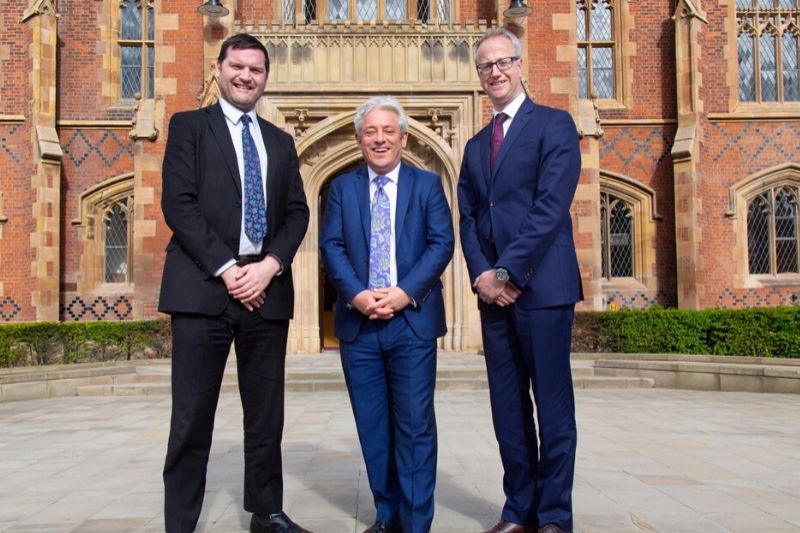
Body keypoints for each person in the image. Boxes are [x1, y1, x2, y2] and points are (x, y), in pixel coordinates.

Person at [158, 33, 311, 533]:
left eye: (257, 70)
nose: (247, 76)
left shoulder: (280, 141)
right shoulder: (188, 127)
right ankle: (181, 523)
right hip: (204, 289)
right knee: (191, 418)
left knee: (266, 416)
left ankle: (266, 511)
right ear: (219, 68)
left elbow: (296, 213)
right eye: (238, 67)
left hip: (265, 292)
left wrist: (269, 266)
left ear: (266, 77)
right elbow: (178, 204)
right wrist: (228, 269)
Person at [457, 28, 583, 533]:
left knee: (551, 407)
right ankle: (518, 510)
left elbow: (550, 208)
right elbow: (467, 217)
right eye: (486, 66)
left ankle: (553, 517)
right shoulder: (473, 145)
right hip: (494, 297)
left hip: (544, 288)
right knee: (507, 409)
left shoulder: (554, 125)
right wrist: (483, 276)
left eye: (503, 62)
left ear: (520, 63)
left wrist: (508, 271)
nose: (495, 72)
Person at [319, 96, 455, 533]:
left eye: (387, 131)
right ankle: (387, 514)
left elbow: (441, 244)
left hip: (411, 325)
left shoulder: (427, 185)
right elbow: (332, 246)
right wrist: (358, 295)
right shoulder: (341, 188)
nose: (379, 139)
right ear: (359, 139)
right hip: (359, 327)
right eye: (370, 132)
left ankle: (416, 523)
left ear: (403, 137)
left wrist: (404, 294)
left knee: (415, 428)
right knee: (373, 428)